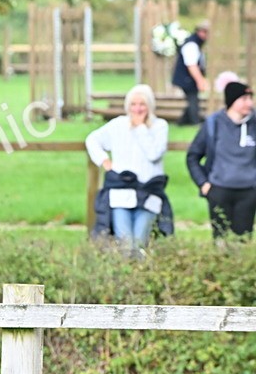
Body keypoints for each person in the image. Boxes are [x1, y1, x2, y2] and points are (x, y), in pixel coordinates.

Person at [86, 84, 170, 254]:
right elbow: (92, 140)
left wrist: (140, 128)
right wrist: (104, 160)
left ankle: (140, 276)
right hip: (120, 194)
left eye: (142, 104)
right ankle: (124, 277)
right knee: (124, 243)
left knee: (139, 242)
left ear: (149, 106)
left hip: (148, 195)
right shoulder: (117, 125)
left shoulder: (160, 127)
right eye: (133, 104)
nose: (137, 109)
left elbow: (154, 154)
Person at [187, 81, 256, 238]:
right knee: (220, 240)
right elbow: (193, 156)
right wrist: (203, 184)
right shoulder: (213, 124)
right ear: (232, 101)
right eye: (244, 99)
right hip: (219, 190)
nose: (250, 103)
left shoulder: (254, 124)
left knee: (243, 240)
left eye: (250, 98)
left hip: (248, 192)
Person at [173, 21, 210, 127]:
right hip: (187, 78)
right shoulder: (191, 45)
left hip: (187, 78)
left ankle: (183, 121)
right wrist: (200, 80)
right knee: (193, 99)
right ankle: (195, 121)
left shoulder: (195, 44)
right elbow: (192, 65)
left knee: (192, 99)